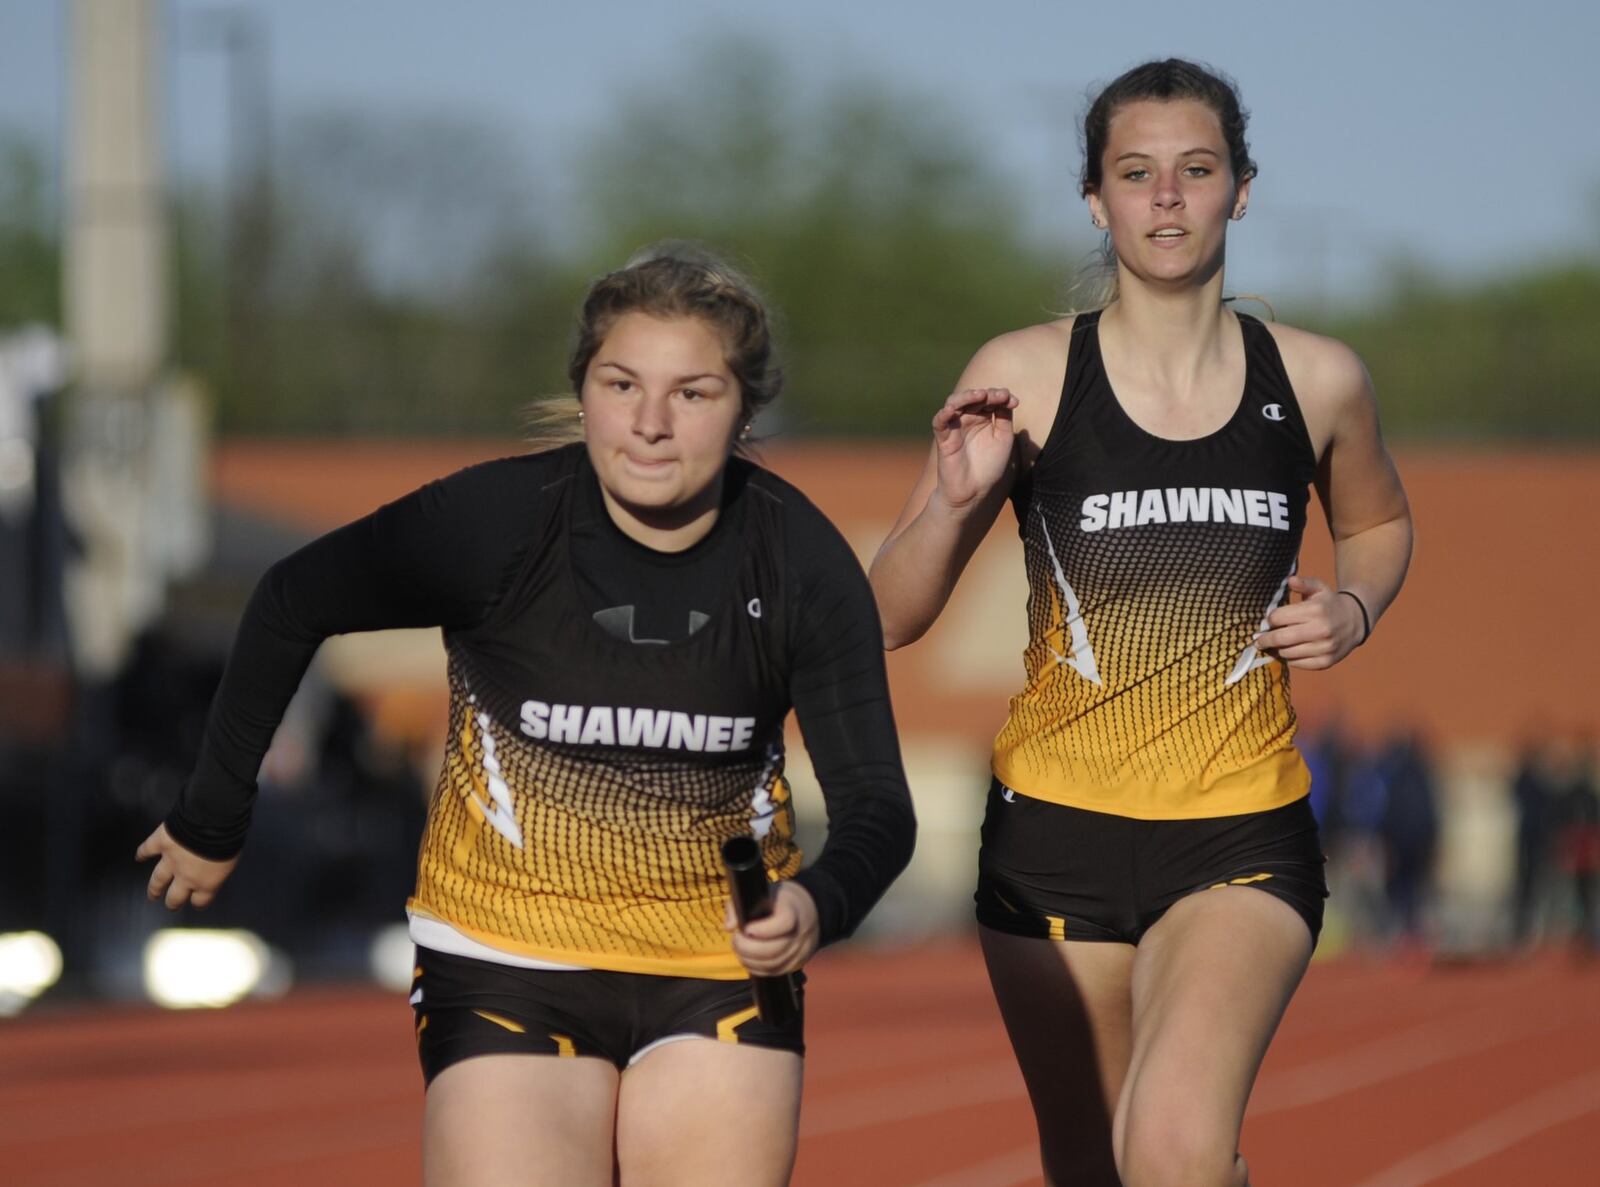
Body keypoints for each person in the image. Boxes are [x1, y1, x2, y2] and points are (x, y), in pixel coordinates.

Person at [137, 247, 916, 1187]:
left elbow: (879, 806)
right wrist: (214, 815)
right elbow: (292, 599)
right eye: (622, 383)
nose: (652, 423)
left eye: (694, 393)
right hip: (507, 957)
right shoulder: (498, 523)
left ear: (746, 408)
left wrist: (813, 904)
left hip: (718, 967)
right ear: (582, 388)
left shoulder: (800, 558)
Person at [869, 59, 1412, 1187]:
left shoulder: (1315, 379)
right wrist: (956, 497)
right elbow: (889, 612)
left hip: (1240, 829)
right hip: (1051, 836)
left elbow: (1382, 524)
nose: (1166, 196)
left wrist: (1352, 608)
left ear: (1241, 189)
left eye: (1195, 170)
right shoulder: (1022, 374)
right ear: (1095, 200)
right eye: (1136, 173)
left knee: (1170, 1147)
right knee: (1090, 1165)